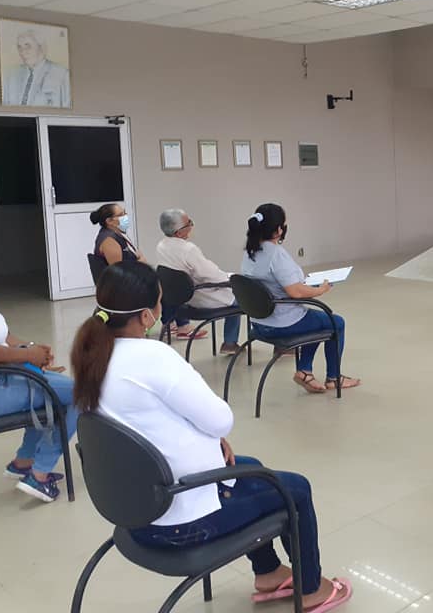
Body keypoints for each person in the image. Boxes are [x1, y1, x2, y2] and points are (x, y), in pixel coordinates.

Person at [70, 262, 351, 611]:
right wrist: (212, 435)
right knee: (296, 489)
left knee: (251, 466)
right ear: (145, 316)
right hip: (181, 525)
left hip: (133, 512)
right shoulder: (154, 357)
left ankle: (267, 571)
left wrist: (210, 441)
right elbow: (220, 419)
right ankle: (312, 590)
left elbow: (141, 424)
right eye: (159, 302)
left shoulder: (93, 356)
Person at [0, 226, 77, 502]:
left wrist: (32, 352)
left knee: (54, 387)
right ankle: (40, 474)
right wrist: (28, 357)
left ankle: (24, 462)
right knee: (83, 392)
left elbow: (1, 336)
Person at [241, 205, 358, 394]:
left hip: (259, 323)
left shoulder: (250, 252)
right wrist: (320, 290)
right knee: (335, 322)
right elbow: (295, 292)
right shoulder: (276, 254)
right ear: (279, 229)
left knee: (316, 320)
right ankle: (333, 378)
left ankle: (305, 372)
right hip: (282, 323)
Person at [156, 209, 237, 352]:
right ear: (178, 232)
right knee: (239, 298)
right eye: (189, 223)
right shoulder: (188, 249)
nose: (191, 225)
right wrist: (230, 277)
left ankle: (229, 343)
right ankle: (230, 344)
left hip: (181, 300)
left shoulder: (161, 246)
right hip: (198, 297)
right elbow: (210, 274)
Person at [1, 28, 71, 108]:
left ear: (41, 47)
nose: (22, 52)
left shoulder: (62, 74)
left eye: (28, 47)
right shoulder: (11, 75)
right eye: (19, 47)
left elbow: (68, 108)